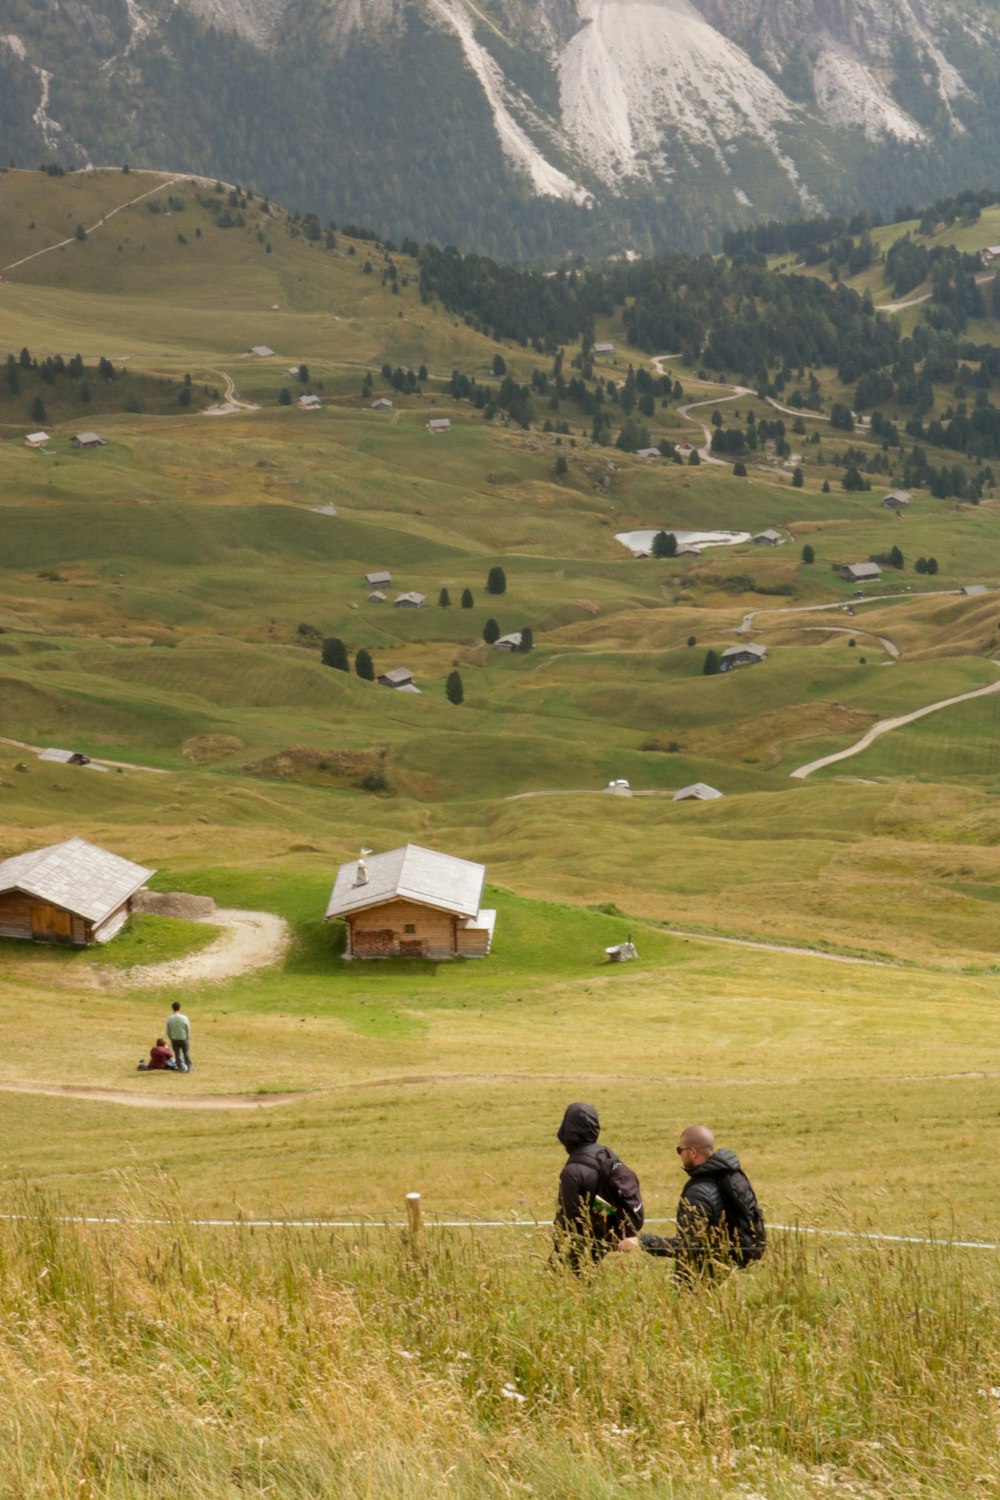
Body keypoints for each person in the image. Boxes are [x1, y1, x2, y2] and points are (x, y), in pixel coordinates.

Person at [618, 1124, 764, 1279]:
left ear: (693, 1152)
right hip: (725, 1265)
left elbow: (687, 1246)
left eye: (680, 1150)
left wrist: (641, 1241)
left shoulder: (699, 1192)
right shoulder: (730, 1175)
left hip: (701, 1275)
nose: (679, 1154)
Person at [553, 1101, 642, 1271]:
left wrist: (556, 1259)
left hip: (582, 1247)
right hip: (605, 1237)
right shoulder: (607, 1153)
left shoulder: (572, 1172)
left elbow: (568, 1221)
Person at [165, 1001, 192, 1072]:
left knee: (177, 1053)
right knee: (186, 1052)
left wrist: (171, 1037)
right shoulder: (184, 1018)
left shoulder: (169, 1018)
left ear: (172, 1008)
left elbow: (168, 1030)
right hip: (183, 1037)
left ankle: (180, 1067)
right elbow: (187, 1028)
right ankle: (189, 1066)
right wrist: (188, 1036)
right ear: (179, 1008)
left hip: (174, 1038)